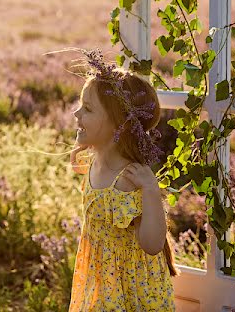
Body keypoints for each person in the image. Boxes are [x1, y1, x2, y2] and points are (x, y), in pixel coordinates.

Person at [68, 51, 176, 311]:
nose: (76, 113)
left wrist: (150, 190)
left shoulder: (129, 180)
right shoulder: (96, 162)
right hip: (100, 280)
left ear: (119, 124)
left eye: (88, 109)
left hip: (131, 291)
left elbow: (151, 245)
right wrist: (84, 146)